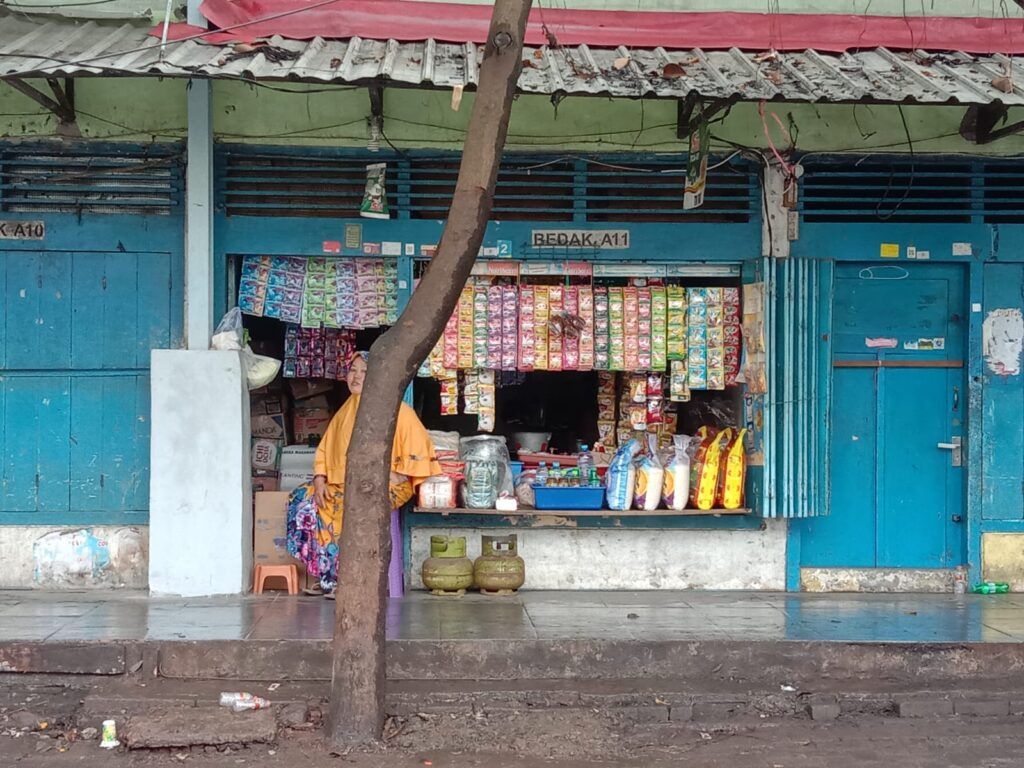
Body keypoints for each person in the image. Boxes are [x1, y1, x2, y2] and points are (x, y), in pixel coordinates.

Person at [286, 352, 441, 598]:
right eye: (353, 370)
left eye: (364, 371)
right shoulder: (346, 410)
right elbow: (326, 449)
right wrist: (319, 480)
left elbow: (416, 455)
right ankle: (326, 574)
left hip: (388, 485)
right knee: (302, 500)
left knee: (342, 505)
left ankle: (347, 579)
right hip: (346, 483)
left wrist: (387, 475)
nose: (356, 376)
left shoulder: (397, 410)